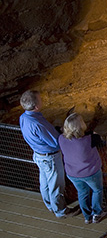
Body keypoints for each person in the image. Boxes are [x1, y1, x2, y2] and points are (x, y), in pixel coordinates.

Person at [19, 90, 79, 218]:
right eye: (40, 99)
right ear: (36, 106)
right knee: (56, 185)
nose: (42, 101)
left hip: (39, 155)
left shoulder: (24, 117)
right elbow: (55, 142)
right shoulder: (37, 123)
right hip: (50, 157)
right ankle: (61, 211)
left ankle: (51, 205)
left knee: (45, 183)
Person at [58, 113, 107, 224]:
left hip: (72, 173)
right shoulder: (89, 139)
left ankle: (87, 216)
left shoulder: (61, 138)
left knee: (82, 192)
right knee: (97, 190)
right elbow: (98, 138)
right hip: (91, 173)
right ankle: (97, 213)